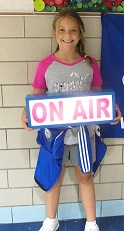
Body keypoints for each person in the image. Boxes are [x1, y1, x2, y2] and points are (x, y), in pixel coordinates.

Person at [21, 9, 121, 231]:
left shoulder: (90, 64)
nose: (68, 35)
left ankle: (91, 223)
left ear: (81, 33)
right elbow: (35, 98)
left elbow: (98, 96)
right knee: (53, 176)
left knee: (85, 175)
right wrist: (25, 113)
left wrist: (111, 109)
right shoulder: (45, 65)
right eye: (63, 30)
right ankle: (50, 221)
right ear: (55, 33)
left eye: (73, 30)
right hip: (54, 134)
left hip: (83, 133)